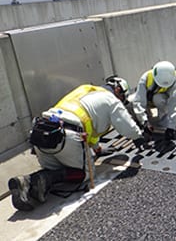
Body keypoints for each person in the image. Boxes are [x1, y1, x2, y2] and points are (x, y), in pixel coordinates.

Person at [8, 76, 148, 211]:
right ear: (118, 90)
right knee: (85, 174)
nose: (122, 101)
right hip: (67, 136)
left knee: (57, 169)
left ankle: (27, 181)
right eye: (123, 97)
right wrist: (138, 137)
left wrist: (97, 149)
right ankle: (44, 179)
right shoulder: (111, 99)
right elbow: (126, 125)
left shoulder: (85, 90)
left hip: (42, 133)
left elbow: (89, 123)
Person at [128, 61, 176, 150]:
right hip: (147, 100)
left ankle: (163, 123)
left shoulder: (174, 79)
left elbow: (174, 103)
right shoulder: (145, 78)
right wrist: (144, 122)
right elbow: (139, 101)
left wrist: (172, 127)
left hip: (160, 99)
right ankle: (143, 125)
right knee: (130, 104)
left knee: (158, 99)